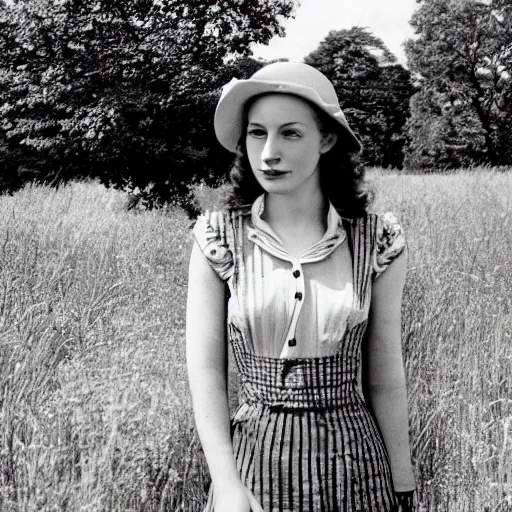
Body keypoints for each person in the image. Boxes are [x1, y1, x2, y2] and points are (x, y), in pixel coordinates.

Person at [186, 61, 416, 512]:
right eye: (257, 133)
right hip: (255, 469)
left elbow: (386, 375)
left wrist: (402, 482)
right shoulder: (217, 239)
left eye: (290, 133)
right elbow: (206, 373)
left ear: (326, 139)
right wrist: (227, 484)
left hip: (356, 471)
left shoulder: (376, 241)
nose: (269, 152)